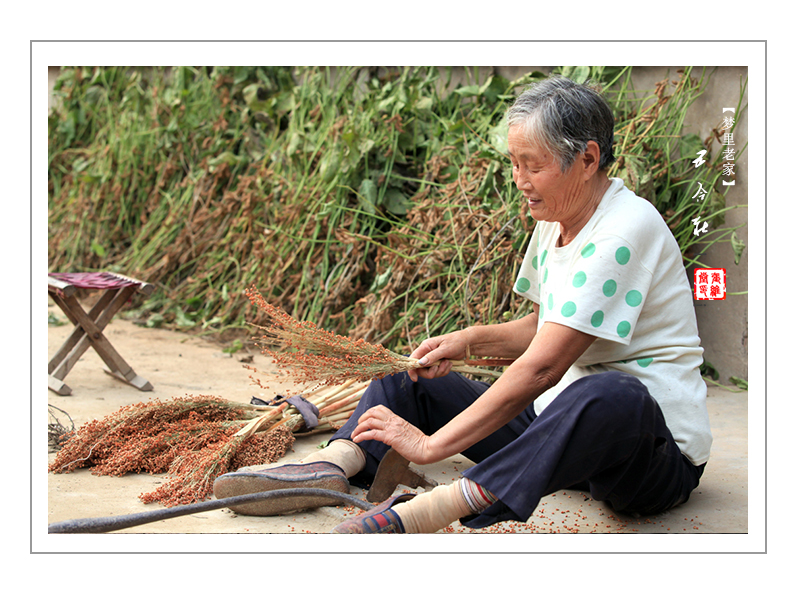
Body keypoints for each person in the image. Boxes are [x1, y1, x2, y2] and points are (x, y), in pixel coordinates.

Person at [214, 75, 712, 533]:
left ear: (586, 159)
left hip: (646, 455)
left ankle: (439, 507)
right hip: (553, 429)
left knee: (614, 394)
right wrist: (466, 343)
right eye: (515, 163)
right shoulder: (556, 218)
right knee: (404, 376)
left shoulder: (625, 229)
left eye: (533, 165)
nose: (520, 180)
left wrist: (432, 447)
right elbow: (542, 326)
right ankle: (334, 465)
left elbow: (543, 366)